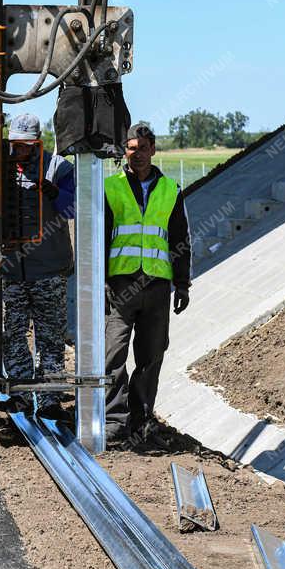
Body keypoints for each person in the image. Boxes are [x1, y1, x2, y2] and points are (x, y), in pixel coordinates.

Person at [103, 122, 191, 448]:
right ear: (123, 152)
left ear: (153, 150)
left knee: (151, 357)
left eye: (142, 148)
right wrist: (98, 284)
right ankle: (114, 425)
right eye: (131, 148)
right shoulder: (111, 188)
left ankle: (141, 423)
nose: (137, 154)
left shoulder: (171, 190)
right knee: (112, 356)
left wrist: (182, 285)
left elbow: (180, 240)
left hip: (156, 287)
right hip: (120, 286)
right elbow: (99, 240)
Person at [1, 113, 76, 419]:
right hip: (11, 270)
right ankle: (20, 394)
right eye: (15, 144)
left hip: (49, 268)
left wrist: (53, 192)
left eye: (25, 145)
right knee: (13, 333)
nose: (19, 150)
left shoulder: (59, 168)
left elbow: (73, 208)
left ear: (37, 143)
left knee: (50, 335)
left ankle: (48, 399)